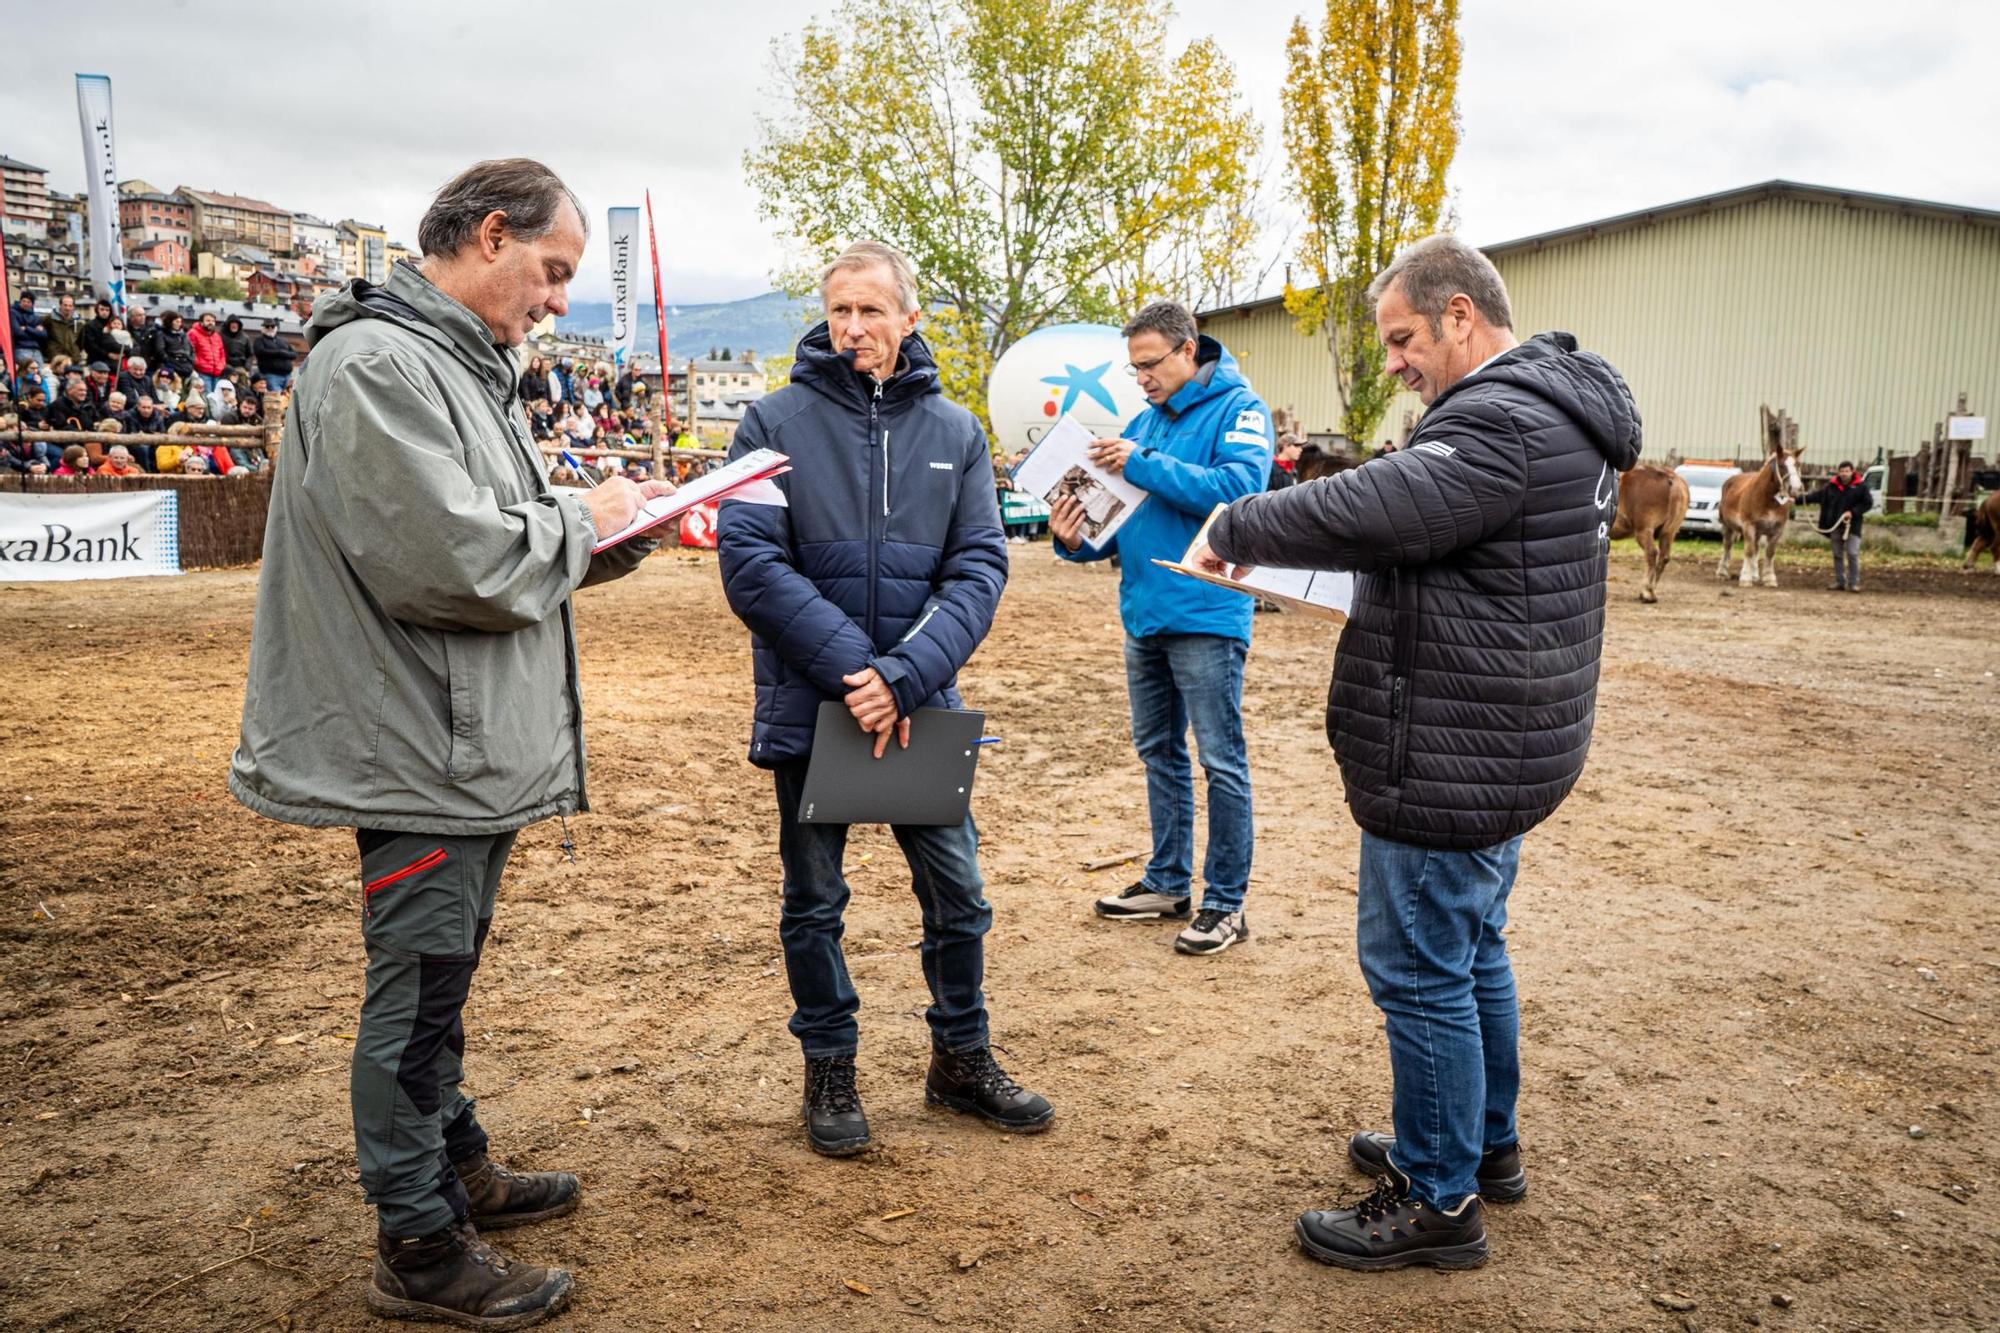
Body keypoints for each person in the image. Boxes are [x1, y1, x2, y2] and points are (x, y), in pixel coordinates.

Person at [229, 158, 672, 1330]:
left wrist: (614, 537)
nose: (560, 299)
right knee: (419, 986)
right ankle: (418, 1244)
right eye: (553, 271)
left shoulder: (453, 366)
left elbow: (492, 537)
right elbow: (452, 559)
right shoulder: (379, 364)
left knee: (442, 977)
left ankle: (453, 1160)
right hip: (419, 743)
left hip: (455, 739)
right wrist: (587, 519)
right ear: (489, 236)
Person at [1190, 234, 1640, 1271]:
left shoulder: (1501, 420)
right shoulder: (1556, 413)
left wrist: (1237, 520)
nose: (1391, 361)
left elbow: (1372, 504)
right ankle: (1480, 1146)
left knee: (1416, 969)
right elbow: (1446, 542)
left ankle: (1437, 1199)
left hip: (1451, 745)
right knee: (1470, 948)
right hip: (1501, 736)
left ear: (1457, 318)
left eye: (1400, 339)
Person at [716, 239, 1051, 1158]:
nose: (853, 327)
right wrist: (856, 671)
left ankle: (961, 1057)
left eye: (871, 310)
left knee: (959, 894)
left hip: (918, 699)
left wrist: (902, 676)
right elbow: (750, 565)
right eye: (838, 311)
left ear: (909, 317)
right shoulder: (770, 424)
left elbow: (978, 567)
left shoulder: (956, 433)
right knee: (815, 899)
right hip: (814, 702)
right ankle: (830, 1066)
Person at [1052, 300, 1272, 956]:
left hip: (1206, 612)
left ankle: (1225, 903)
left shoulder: (1240, 411)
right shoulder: (1144, 420)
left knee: (1220, 759)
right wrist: (1073, 539)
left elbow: (1236, 489)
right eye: (1133, 368)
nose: (1140, 378)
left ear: (1187, 349)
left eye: (1149, 364)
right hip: (1144, 612)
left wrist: (1139, 461)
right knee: (1159, 752)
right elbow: (1119, 520)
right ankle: (1169, 880)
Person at [1803, 460, 1872, 592]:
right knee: (1837, 554)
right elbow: (1816, 496)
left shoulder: (1861, 487)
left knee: (1852, 553)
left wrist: (1853, 512)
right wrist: (1798, 499)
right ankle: (1840, 581)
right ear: (1839, 472)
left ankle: (1854, 583)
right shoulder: (1831, 487)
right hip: (1835, 525)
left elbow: (1867, 503)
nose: (1844, 474)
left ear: (1852, 472)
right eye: (1842, 471)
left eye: (1847, 471)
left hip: (1852, 526)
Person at [253, 318, 296, 391]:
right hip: (271, 375)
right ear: (263, 328)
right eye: (267, 326)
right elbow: (260, 352)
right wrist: (279, 352)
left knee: (288, 398)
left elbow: (294, 354)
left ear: (276, 328)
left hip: (287, 375)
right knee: (276, 398)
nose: (270, 328)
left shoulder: (283, 340)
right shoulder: (259, 340)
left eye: (272, 326)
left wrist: (282, 353)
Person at [189, 312, 227, 391]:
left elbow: (222, 353)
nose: (211, 323)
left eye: (213, 321)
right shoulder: (193, 333)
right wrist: (200, 364)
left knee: (216, 398)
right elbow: (191, 352)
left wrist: (221, 366)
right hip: (202, 372)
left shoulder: (217, 336)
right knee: (206, 397)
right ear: (201, 322)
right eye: (208, 320)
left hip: (217, 372)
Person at [43, 294, 84, 364]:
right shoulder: (50, 319)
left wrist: (75, 351)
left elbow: (81, 342)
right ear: (60, 305)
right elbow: (43, 338)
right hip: (55, 357)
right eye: (65, 305)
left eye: (70, 305)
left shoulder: (79, 322)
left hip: (73, 358)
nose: (67, 308)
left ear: (73, 307)